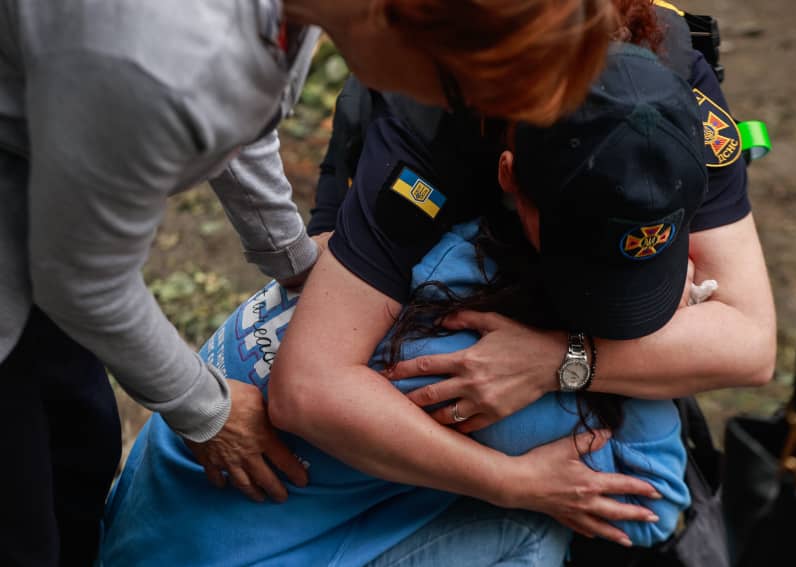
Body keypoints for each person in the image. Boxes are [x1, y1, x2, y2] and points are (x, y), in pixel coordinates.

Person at [0, 0, 619, 564]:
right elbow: (81, 279)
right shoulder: (158, 60)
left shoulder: (300, 15)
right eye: (467, 97)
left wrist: (293, 258)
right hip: (34, 238)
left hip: (47, 181)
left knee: (74, 446)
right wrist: (206, 409)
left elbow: (239, 103)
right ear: (415, 28)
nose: (458, 122)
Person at [100, 44, 702, 566]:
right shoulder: (473, 374)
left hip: (144, 532)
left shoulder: (412, 248)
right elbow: (647, 511)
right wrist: (618, 354)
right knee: (534, 524)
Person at [278, 0, 775, 546]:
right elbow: (307, 385)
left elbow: (751, 344)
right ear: (509, 176)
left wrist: (561, 359)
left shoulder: (672, 83)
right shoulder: (427, 120)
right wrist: (510, 484)